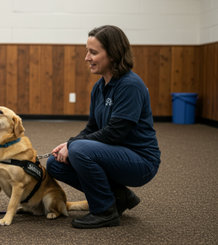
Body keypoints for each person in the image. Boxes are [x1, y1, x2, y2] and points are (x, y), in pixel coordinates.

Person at [46, 25, 161, 229]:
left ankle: (105, 211)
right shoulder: (99, 87)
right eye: (87, 51)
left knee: (79, 150)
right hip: (113, 153)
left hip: (141, 161)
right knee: (55, 163)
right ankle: (120, 197)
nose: (86, 58)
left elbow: (115, 133)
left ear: (114, 54)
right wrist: (68, 144)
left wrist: (73, 145)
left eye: (93, 52)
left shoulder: (130, 85)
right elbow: (92, 127)